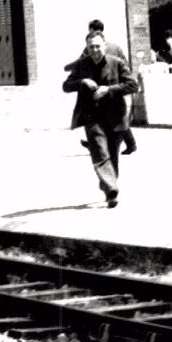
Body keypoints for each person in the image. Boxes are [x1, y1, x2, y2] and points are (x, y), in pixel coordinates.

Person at [63, 31, 139, 208]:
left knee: (112, 156)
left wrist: (109, 89)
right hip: (92, 116)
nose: (95, 50)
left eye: (98, 46)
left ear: (104, 46)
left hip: (115, 116)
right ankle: (111, 188)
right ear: (87, 48)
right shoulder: (82, 65)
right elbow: (66, 86)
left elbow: (132, 85)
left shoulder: (117, 63)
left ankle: (109, 188)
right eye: (91, 47)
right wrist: (82, 81)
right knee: (99, 150)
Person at [88, 20, 137, 154]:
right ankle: (99, 141)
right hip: (116, 84)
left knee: (116, 118)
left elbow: (84, 63)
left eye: (90, 30)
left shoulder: (93, 46)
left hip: (105, 86)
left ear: (92, 30)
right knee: (112, 116)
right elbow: (125, 64)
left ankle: (128, 144)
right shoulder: (116, 47)